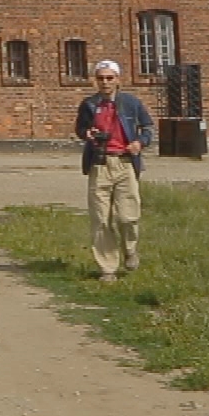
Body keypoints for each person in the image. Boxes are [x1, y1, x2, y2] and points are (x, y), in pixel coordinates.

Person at [74, 59, 156, 282]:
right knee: (101, 218)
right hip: (99, 163)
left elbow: (148, 127)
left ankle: (130, 248)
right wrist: (87, 134)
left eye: (109, 78)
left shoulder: (130, 103)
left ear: (118, 79)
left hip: (125, 162)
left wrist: (140, 143)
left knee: (128, 216)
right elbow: (80, 128)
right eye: (100, 78)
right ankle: (107, 267)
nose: (105, 82)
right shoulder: (89, 104)